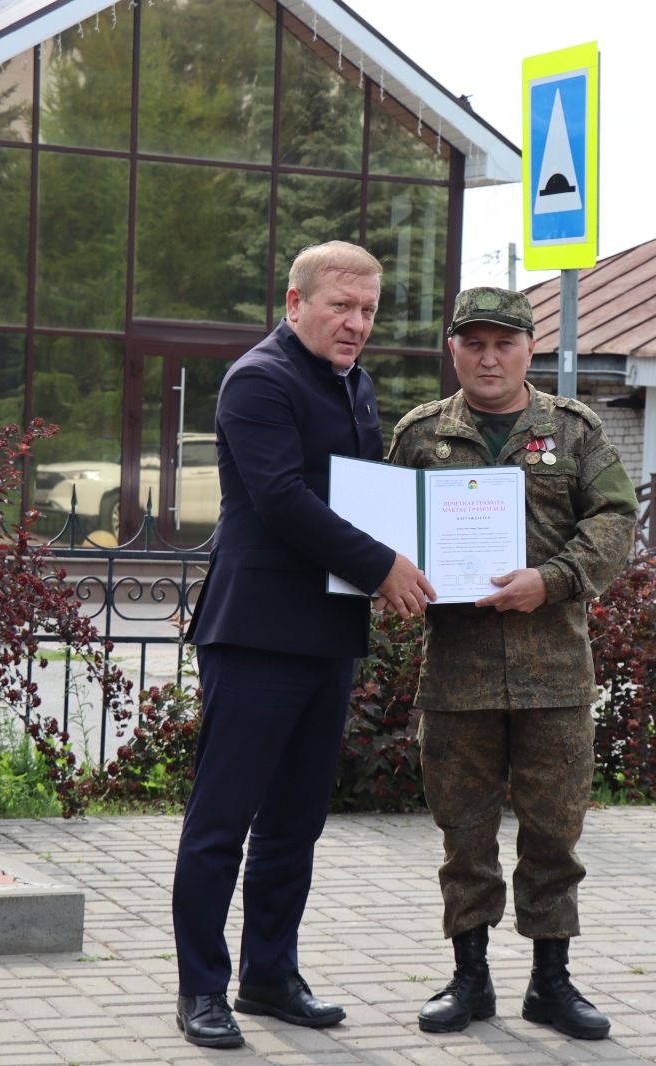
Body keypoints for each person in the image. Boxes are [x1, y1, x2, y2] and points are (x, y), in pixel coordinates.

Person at [172, 241, 435, 1049]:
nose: (357, 324)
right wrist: (384, 564)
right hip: (254, 633)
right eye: (341, 307)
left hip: (328, 631)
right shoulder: (260, 379)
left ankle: (271, 976)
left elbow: (361, 498)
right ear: (295, 303)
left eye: (368, 311)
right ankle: (201, 992)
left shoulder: (355, 384)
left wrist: (414, 554)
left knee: (295, 822)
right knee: (223, 820)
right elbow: (283, 499)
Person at [385, 287, 638, 1040]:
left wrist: (550, 580)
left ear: (530, 348)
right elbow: (382, 528)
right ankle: (470, 981)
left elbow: (616, 518)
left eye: (504, 343)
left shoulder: (573, 431)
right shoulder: (420, 436)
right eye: (474, 343)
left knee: (554, 832)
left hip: (553, 674)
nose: (488, 357)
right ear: (453, 349)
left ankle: (551, 984)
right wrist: (389, 572)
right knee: (463, 834)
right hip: (457, 673)